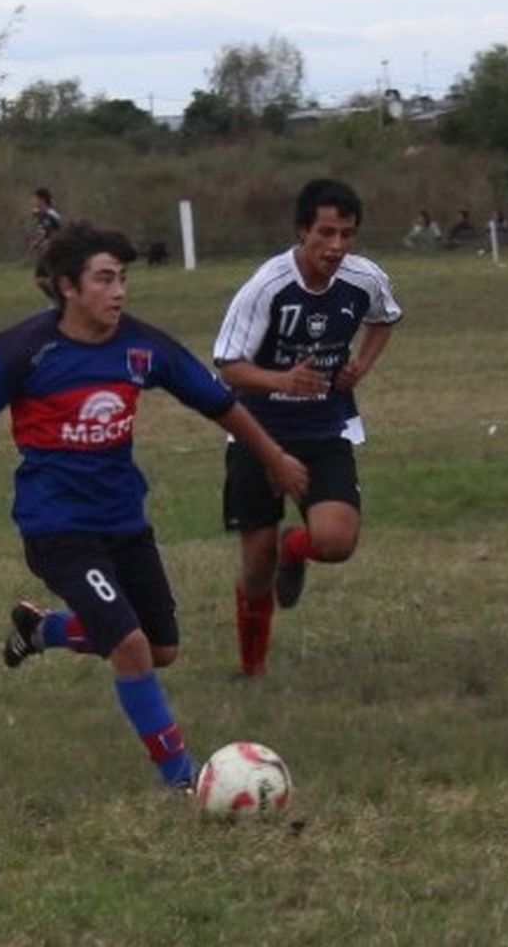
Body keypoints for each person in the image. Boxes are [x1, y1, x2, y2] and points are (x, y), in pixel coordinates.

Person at [0, 222, 309, 791]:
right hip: (56, 528)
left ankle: (42, 631)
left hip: (124, 521)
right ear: (67, 288)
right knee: (129, 647)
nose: (119, 291)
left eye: (123, 279)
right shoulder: (21, 352)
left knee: (161, 649)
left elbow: (220, 404)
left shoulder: (142, 347)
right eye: (104, 279)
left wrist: (274, 457)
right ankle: (183, 782)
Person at [212, 179, 403, 678]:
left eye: (347, 234)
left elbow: (385, 318)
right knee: (254, 566)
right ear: (302, 231)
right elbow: (227, 365)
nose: (336, 246)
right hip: (258, 432)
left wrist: (361, 363)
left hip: (325, 428)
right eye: (325, 233)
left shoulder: (364, 279)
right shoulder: (267, 286)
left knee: (336, 541)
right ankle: (252, 669)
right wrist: (281, 380)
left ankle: (292, 549)